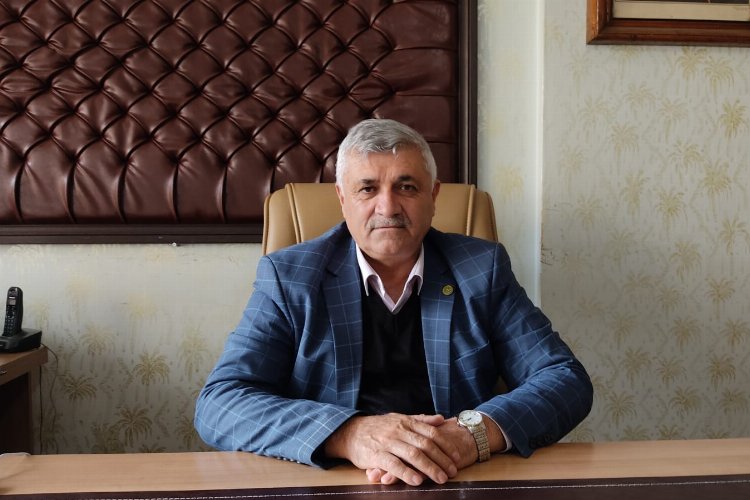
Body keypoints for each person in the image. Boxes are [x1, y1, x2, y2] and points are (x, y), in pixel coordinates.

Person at [195, 118, 593, 487]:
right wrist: (349, 434)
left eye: (406, 187)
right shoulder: (291, 277)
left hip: (454, 479)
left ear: (433, 196)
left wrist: (470, 435)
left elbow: (565, 379)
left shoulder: (480, 269)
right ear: (342, 199)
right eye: (368, 188)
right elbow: (220, 404)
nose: (387, 207)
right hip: (333, 483)